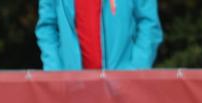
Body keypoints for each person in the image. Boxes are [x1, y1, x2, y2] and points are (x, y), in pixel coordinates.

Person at [35, 0, 163, 70]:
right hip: (73, 91)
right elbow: (47, 28)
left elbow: (149, 24)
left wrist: (134, 71)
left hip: (122, 92)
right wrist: (55, 72)